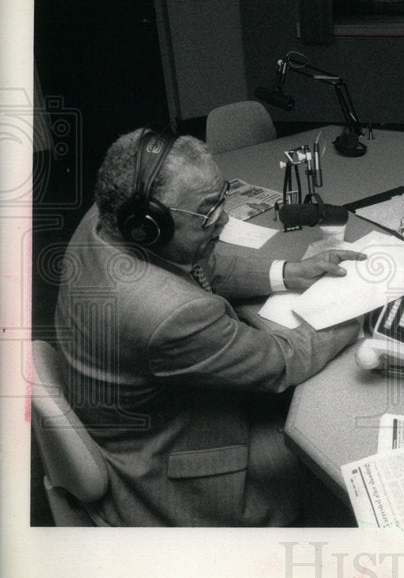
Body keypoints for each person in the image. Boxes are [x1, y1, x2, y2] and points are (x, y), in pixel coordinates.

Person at [54, 128, 364, 526]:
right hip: (175, 469)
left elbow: (200, 264)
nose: (224, 221)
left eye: (222, 202)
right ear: (149, 225)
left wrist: (290, 272)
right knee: (337, 447)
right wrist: (357, 307)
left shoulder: (106, 219)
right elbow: (281, 362)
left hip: (141, 421)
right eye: (208, 213)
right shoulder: (168, 314)